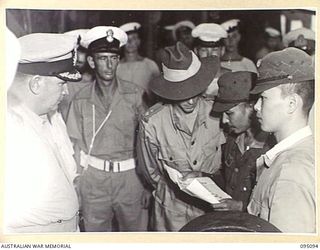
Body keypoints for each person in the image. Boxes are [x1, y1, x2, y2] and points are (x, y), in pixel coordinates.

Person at [66, 26, 149, 232]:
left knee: (135, 239)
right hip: (94, 180)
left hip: (131, 179)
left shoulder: (136, 95)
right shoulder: (81, 99)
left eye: (113, 58)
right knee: (96, 239)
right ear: (92, 62)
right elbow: (74, 144)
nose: (109, 64)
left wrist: (148, 183)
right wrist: (76, 183)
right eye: (103, 58)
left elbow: (149, 142)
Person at [137, 41, 226, 231]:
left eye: (195, 90)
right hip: (171, 211)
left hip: (212, 209)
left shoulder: (218, 114)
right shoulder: (152, 122)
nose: (191, 100)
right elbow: (150, 171)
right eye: (183, 93)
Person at [5, 33, 82, 233]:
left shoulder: (48, 118)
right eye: (61, 83)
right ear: (36, 83)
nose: (66, 92)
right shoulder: (11, 130)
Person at [248, 47, 315, 233]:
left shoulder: (291, 173)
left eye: (263, 98)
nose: (256, 107)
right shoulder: (298, 155)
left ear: (291, 104)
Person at [210, 71, 274, 212]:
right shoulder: (232, 140)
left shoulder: (272, 150)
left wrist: (240, 207)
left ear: (251, 107)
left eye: (229, 113)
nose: (224, 121)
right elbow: (227, 180)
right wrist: (202, 178)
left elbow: (274, 204)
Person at [117, 22, 160, 106]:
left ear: (139, 41)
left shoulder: (150, 65)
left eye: (134, 38)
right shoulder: (116, 66)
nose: (130, 42)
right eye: (127, 39)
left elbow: (158, 94)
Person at [60, 29, 93, 120]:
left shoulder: (94, 82)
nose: (79, 58)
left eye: (83, 52)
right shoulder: (62, 82)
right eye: (76, 52)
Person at [191, 23, 230, 97]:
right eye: (204, 50)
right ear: (196, 51)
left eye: (214, 50)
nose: (209, 55)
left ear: (222, 51)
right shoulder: (190, 79)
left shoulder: (231, 78)